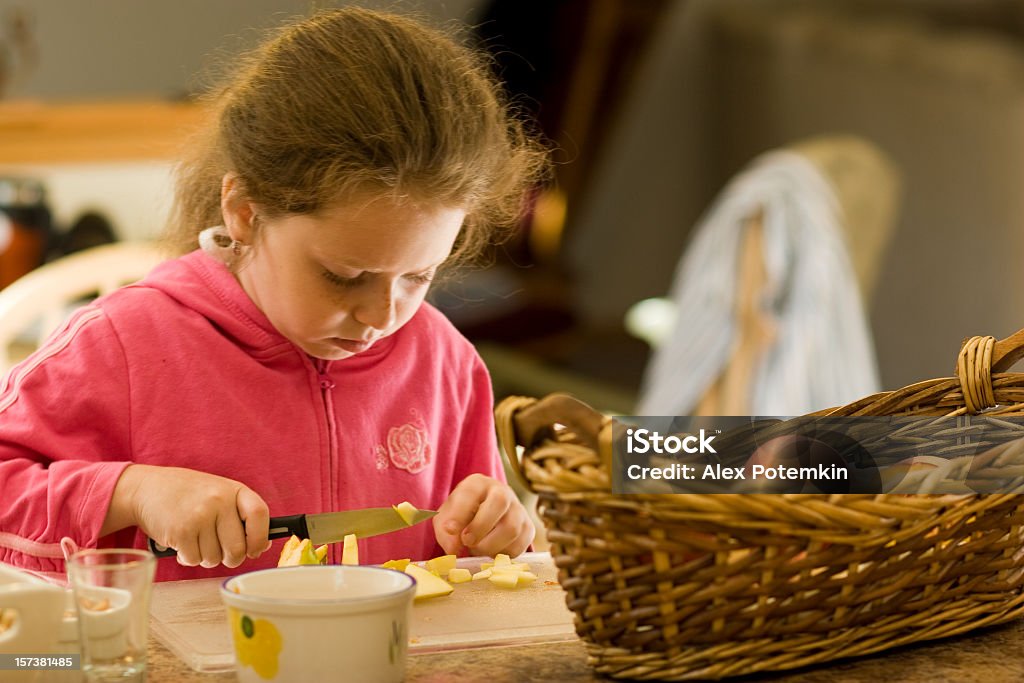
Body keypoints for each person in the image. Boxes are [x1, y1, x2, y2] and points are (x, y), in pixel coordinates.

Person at [0, 8, 548, 581]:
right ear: (243, 212)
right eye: (343, 275)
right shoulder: (124, 344)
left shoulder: (445, 362)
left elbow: (487, 568)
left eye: (418, 276)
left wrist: (502, 533)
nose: (382, 316)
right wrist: (131, 492)